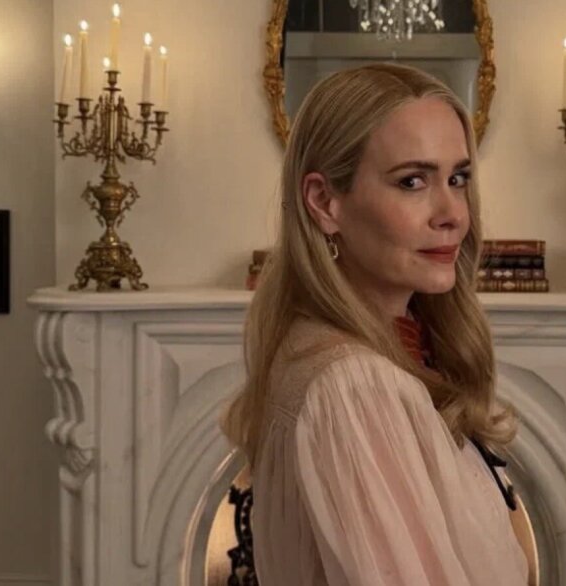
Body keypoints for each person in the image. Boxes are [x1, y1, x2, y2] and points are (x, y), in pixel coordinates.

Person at [220, 63, 529, 585]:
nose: (452, 213)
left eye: (458, 179)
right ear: (324, 202)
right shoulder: (354, 388)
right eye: (412, 181)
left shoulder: (343, 353)